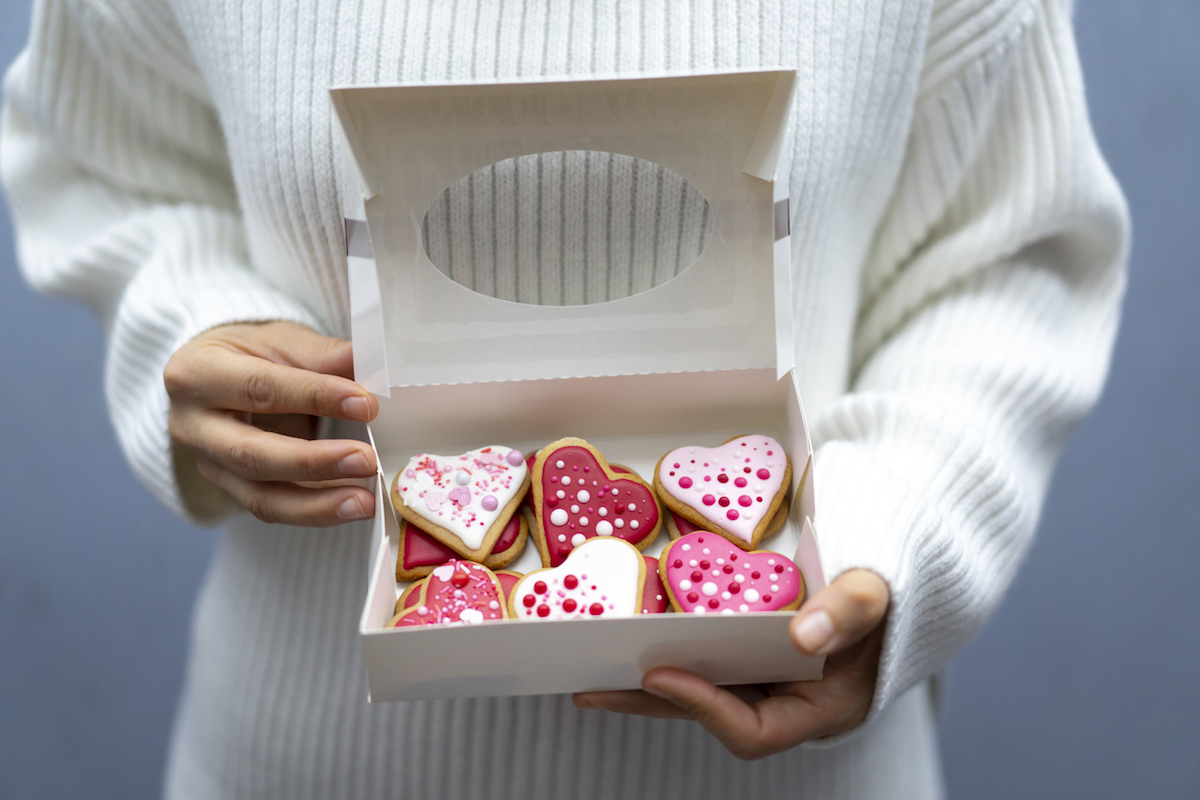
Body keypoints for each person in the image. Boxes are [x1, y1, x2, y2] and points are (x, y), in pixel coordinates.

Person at [1, 0, 1127, 798]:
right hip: (301, 752)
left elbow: (1007, 263)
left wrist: (879, 537)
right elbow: (105, 161)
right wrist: (194, 329)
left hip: (802, 771)